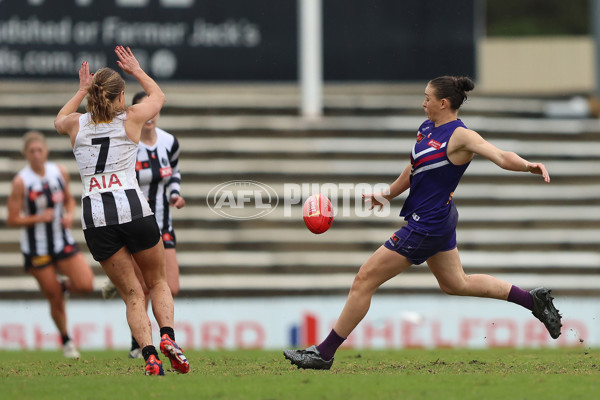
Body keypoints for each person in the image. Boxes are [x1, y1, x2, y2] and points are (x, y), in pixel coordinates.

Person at [283, 76, 562, 370]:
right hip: (436, 219)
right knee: (456, 283)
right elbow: (415, 166)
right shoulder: (427, 128)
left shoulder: (460, 136)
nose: (423, 102)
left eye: (427, 98)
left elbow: (500, 155)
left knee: (364, 280)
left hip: (426, 225)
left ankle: (324, 353)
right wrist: (388, 193)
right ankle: (533, 302)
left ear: (443, 103)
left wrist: (527, 165)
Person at [53, 46, 189, 376]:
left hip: (96, 219)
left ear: (92, 95)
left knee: (130, 294)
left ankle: (150, 356)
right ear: (121, 95)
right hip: (134, 211)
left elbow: (58, 120)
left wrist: (81, 90)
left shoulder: (77, 125)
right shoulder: (130, 119)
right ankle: (168, 337)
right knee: (157, 282)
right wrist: (138, 70)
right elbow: (158, 96)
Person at [103, 90, 185, 359]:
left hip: (163, 221)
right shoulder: (129, 142)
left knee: (170, 286)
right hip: (136, 220)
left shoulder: (170, 142)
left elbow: (174, 172)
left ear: (155, 112)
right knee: (143, 288)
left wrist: (175, 193)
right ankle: (138, 343)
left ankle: (118, 286)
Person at [7, 130, 94, 359]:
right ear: (25, 154)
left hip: (61, 241)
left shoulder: (59, 172)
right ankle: (66, 340)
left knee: (86, 284)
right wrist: (37, 218)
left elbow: (69, 200)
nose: (36, 154)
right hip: (37, 248)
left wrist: (69, 215)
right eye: (31, 151)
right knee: (54, 296)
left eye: (39, 150)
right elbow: (12, 218)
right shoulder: (21, 182)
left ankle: (64, 288)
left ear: (46, 150)